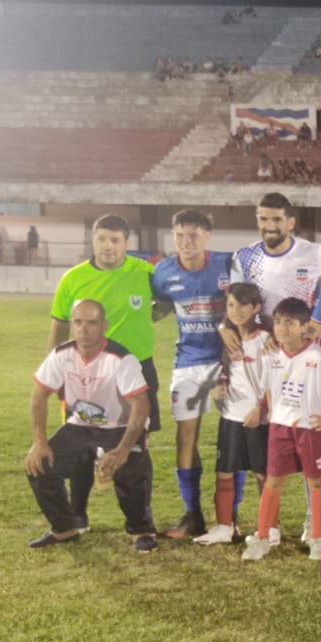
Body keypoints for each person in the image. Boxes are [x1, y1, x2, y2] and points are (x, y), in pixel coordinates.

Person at [49, 215, 161, 530]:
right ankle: (77, 515)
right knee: (81, 443)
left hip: (136, 370)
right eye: (101, 239)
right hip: (84, 373)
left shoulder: (146, 273)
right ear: (93, 240)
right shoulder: (73, 278)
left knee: (137, 445)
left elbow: (167, 302)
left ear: (127, 243)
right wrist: (57, 372)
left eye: (114, 240)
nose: (107, 246)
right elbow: (58, 326)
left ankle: (141, 515)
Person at [25, 299, 156, 552]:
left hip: (121, 426)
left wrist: (123, 450)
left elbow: (141, 407)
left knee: (129, 470)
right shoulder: (61, 355)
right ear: (71, 325)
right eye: (78, 322)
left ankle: (140, 530)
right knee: (39, 464)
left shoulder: (121, 359)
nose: (83, 329)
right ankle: (64, 527)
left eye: (91, 323)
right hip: (82, 424)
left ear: (104, 326)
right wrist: (39, 442)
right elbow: (38, 396)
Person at [241, 298, 321, 563]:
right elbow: (268, 387)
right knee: (273, 482)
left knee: (316, 482)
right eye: (278, 322)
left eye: (290, 323)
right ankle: (262, 538)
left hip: (311, 430)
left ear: (305, 328)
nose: (282, 328)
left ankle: (317, 539)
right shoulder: (271, 355)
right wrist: (273, 411)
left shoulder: (318, 358)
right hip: (280, 429)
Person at [148, 209, 233, 539]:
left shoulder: (227, 264)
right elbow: (159, 305)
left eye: (193, 236)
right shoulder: (163, 271)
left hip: (227, 360)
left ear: (207, 236)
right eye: (180, 236)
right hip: (188, 361)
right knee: (185, 436)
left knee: (233, 437)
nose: (186, 243)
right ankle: (192, 514)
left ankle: (230, 515)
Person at [195, 283, 267, 545]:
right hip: (231, 416)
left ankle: (270, 528)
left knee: (263, 474)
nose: (236, 311)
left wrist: (261, 408)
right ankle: (225, 527)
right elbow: (225, 369)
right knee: (224, 472)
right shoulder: (228, 338)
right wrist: (220, 384)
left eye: (243, 305)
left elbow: (274, 378)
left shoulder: (265, 340)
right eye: (231, 305)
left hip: (258, 417)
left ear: (256, 308)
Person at [231, 192, 321, 318]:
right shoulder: (243, 257)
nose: (270, 226)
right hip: (260, 331)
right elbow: (233, 303)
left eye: (277, 220)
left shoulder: (315, 253)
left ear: (291, 223)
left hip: (303, 330)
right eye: (263, 219)